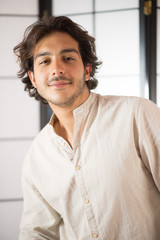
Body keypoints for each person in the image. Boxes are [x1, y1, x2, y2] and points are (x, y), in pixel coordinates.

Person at [14, 16, 160, 240]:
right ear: (33, 78)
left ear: (87, 70)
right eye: (45, 61)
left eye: (68, 58)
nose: (57, 69)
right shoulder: (37, 156)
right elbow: (37, 232)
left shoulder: (136, 114)